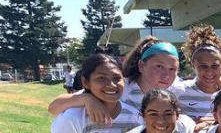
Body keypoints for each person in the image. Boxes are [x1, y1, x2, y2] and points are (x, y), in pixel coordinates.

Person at [49, 38, 180, 122]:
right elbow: (53, 107)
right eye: (159, 66)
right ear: (141, 65)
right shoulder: (119, 88)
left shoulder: (174, 91)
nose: (166, 75)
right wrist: (87, 99)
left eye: (172, 69)